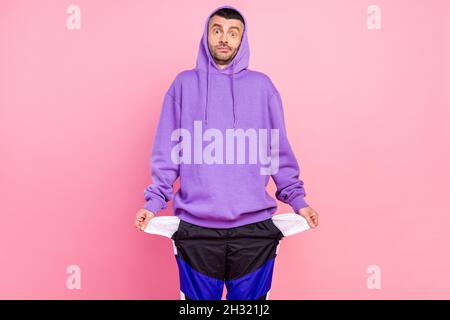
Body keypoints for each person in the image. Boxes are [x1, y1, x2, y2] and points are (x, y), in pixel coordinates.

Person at [135, 5, 319, 300]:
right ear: (206, 35)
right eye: (217, 30)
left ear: (242, 40)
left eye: (233, 33)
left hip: (254, 229)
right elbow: (167, 152)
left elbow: (277, 151)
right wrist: (153, 202)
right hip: (196, 228)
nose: (224, 39)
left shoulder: (263, 87)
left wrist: (298, 200)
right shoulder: (183, 84)